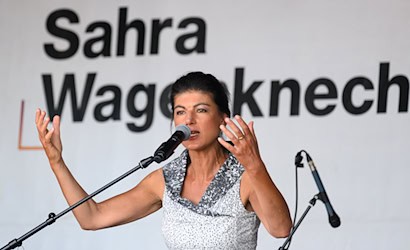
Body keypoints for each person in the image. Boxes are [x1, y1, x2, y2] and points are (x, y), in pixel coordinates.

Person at [35, 71, 292, 249]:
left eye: (201, 110)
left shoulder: (245, 177)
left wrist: (255, 165)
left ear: (223, 118)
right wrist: (57, 162)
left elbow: (281, 229)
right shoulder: (165, 180)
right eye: (180, 112)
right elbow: (92, 217)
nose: (188, 120)